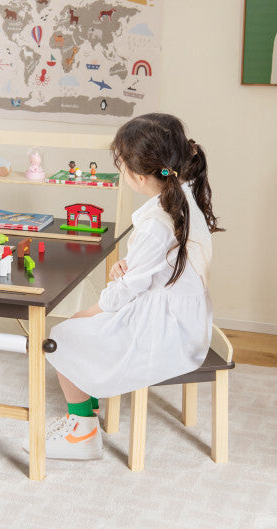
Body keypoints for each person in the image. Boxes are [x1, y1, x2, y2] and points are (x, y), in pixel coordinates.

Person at [37, 113, 223, 460]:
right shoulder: (185, 196)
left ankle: (83, 434)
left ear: (138, 177)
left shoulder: (157, 223)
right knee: (83, 325)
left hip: (169, 332)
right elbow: (158, 268)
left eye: (120, 165)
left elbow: (124, 293)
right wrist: (131, 267)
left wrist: (87, 314)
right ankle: (86, 408)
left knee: (61, 336)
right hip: (185, 321)